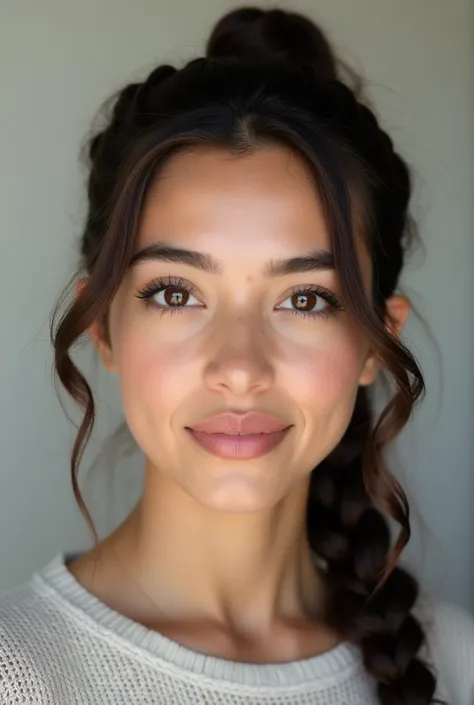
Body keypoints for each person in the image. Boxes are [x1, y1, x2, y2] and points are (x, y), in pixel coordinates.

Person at [1, 6, 473, 705]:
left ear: (380, 340)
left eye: (306, 299)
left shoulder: (455, 660)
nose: (241, 366)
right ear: (103, 327)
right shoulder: (19, 674)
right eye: (175, 292)